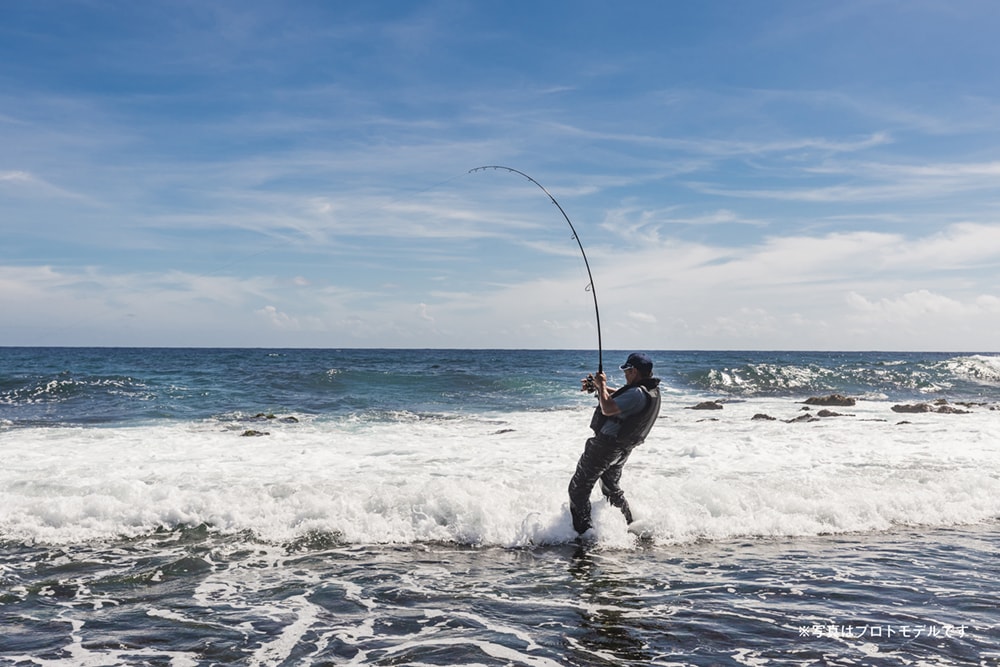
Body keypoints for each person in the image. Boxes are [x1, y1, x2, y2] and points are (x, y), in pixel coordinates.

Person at [569, 352, 661, 535]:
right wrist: (598, 388)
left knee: (578, 490)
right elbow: (621, 397)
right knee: (611, 489)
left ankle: (584, 535)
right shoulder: (649, 391)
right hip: (621, 450)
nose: (625, 374)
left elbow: (608, 408)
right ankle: (629, 526)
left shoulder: (636, 393)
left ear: (634, 371)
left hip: (604, 448)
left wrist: (602, 384)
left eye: (627, 371)